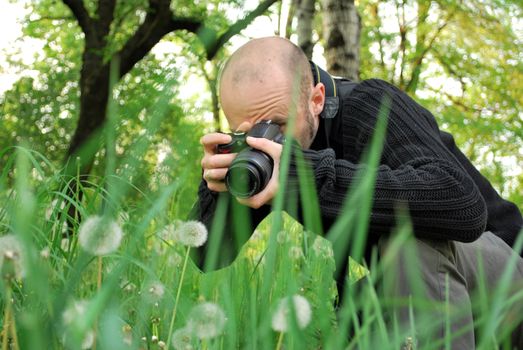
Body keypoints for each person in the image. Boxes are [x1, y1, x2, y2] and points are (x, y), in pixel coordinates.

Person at [189, 36, 523, 348]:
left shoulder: (370, 105)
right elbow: (207, 256)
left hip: (507, 278)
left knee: (406, 240)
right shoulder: (269, 154)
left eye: (277, 125)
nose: (266, 140)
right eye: (246, 133)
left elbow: (460, 204)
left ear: (316, 99)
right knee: (354, 315)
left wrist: (303, 174)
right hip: (437, 289)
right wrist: (218, 189)